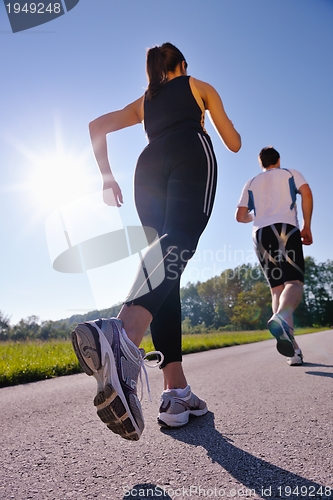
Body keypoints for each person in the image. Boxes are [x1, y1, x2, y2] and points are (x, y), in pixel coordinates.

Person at [71, 42, 241, 441]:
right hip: (188, 150)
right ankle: (124, 335)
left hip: (145, 168)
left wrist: (106, 177)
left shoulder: (144, 103)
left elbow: (97, 126)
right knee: (180, 240)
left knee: (167, 268)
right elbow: (233, 142)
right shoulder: (197, 85)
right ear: (182, 64)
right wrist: (208, 115)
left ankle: (175, 391)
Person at [235, 146, 313, 366]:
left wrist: (257, 215)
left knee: (277, 288)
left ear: (261, 163)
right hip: (286, 229)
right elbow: (306, 192)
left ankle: (294, 351)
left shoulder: (251, 182)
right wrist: (307, 226)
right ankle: (283, 318)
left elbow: (240, 215)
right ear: (278, 159)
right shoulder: (290, 173)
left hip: (260, 233)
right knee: (294, 282)